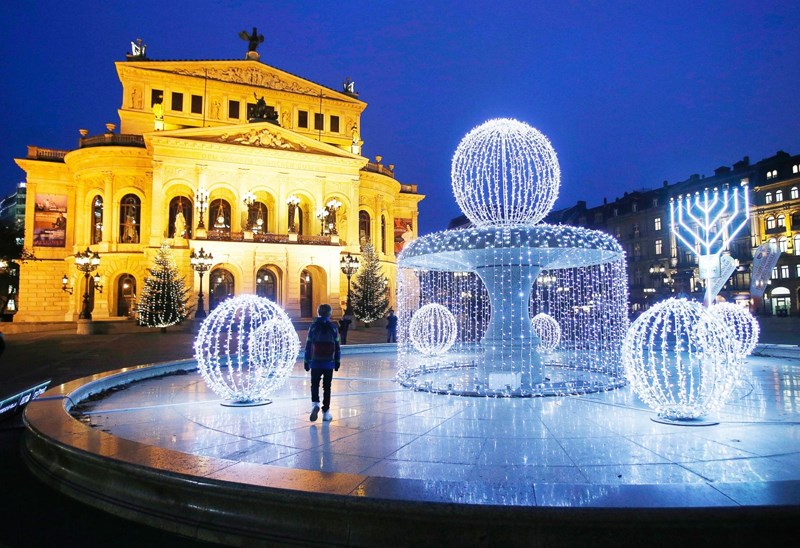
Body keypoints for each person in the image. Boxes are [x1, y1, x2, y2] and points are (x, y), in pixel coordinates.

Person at [304, 304, 341, 422]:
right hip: (328, 362)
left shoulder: (313, 327)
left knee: (314, 385)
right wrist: (337, 361)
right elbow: (337, 346)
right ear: (330, 313)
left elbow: (308, 345)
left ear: (318, 313)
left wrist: (306, 360)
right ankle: (326, 413)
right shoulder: (333, 327)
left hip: (315, 361)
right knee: (327, 387)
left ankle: (315, 404)